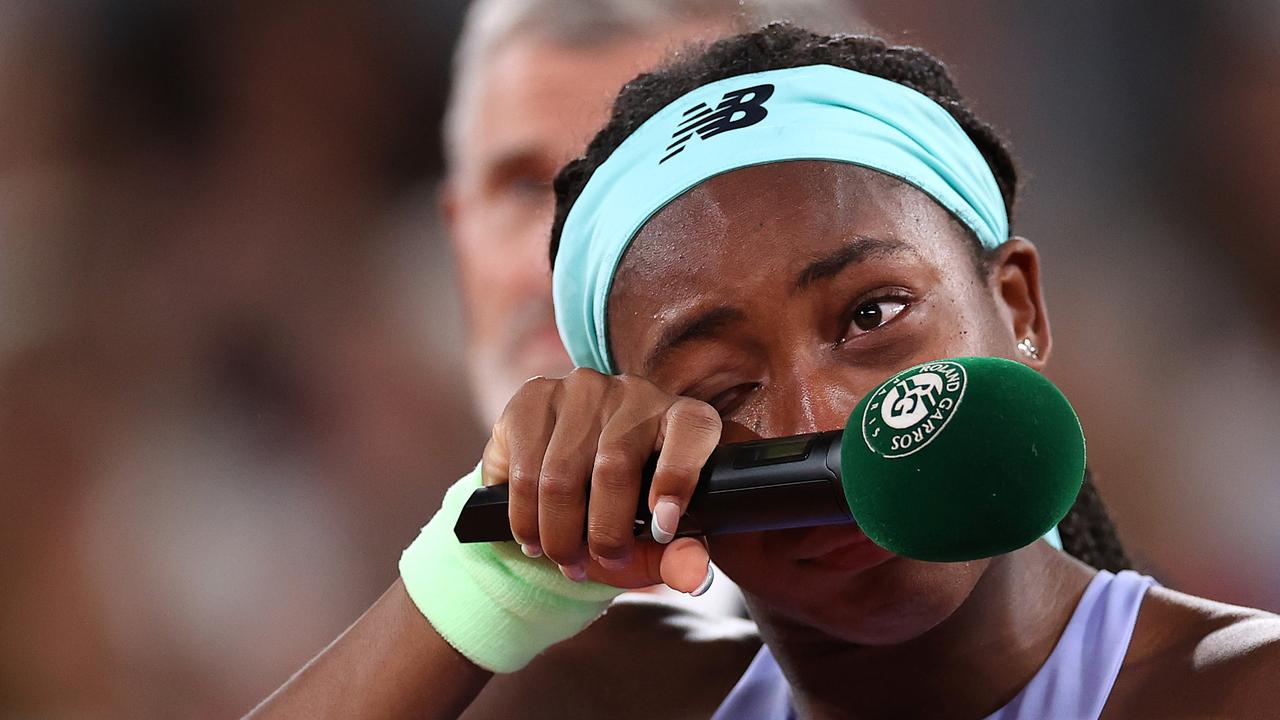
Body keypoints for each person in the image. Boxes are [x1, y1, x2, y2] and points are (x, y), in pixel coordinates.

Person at [250, 24, 1280, 720]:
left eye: (871, 316)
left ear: (1015, 308)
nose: (817, 414)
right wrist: (478, 583)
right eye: (717, 389)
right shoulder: (609, 697)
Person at [438, 3, 863, 717]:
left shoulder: (963, 626)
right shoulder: (357, 612)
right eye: (519, 187)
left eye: (644, 183)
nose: (557, 268)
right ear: (458, 230)